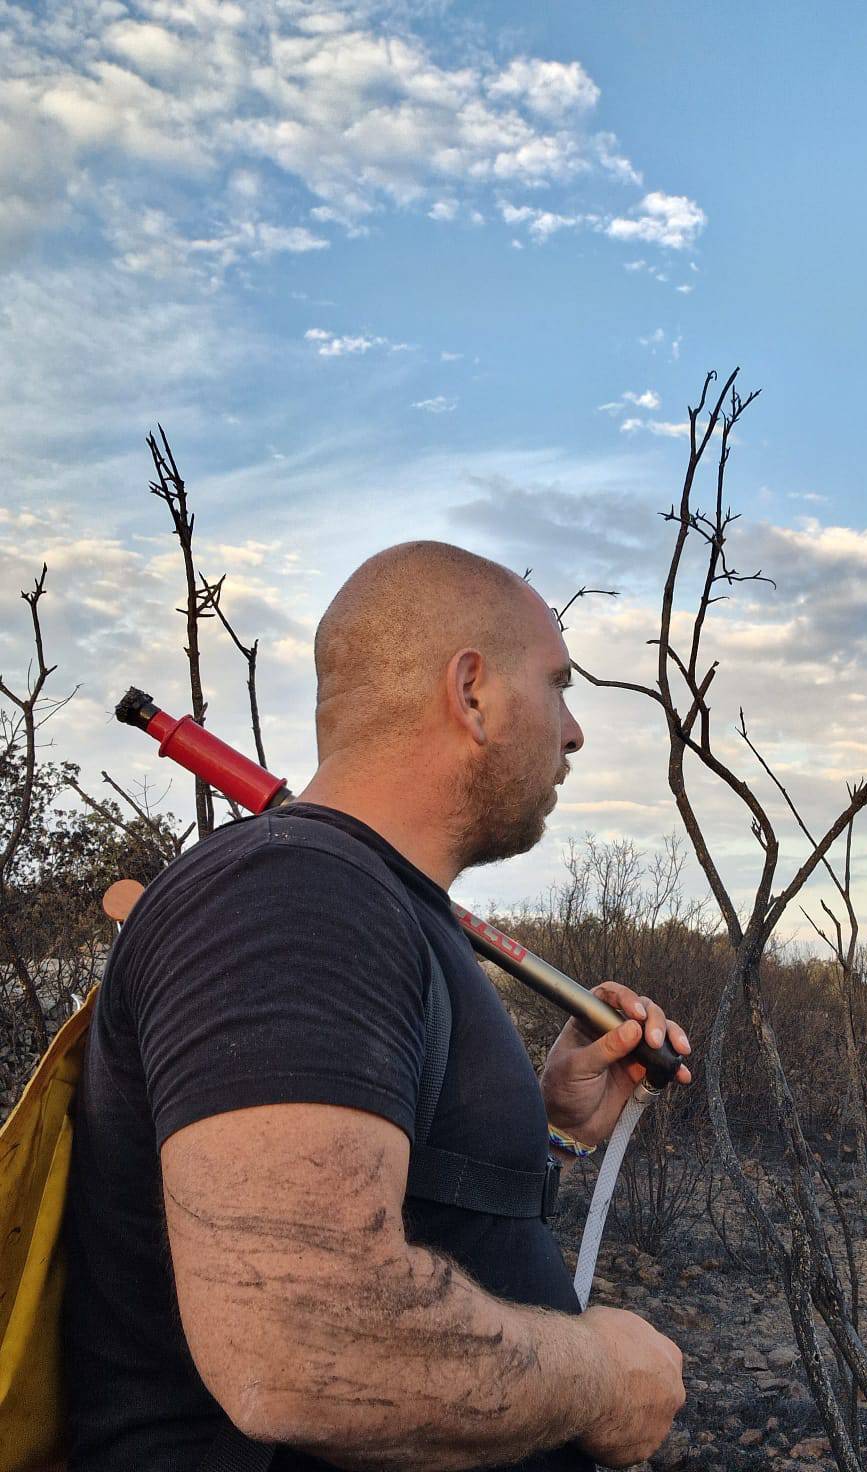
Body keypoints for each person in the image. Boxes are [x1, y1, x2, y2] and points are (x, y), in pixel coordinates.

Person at [63, 541, 692, 1471]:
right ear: (472, 691)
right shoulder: (292, 895)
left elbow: (403, 1207)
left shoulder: (373, 904)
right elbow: (303, 1346)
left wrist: (548, 1127)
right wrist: (598, 1376)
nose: (573, 732)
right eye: (558, 686)